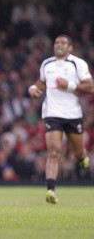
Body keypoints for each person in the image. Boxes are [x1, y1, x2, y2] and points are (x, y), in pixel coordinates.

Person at [28, 34, 92, 204]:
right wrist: (33, 88)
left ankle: (82, 158)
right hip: (52, 112)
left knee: (78, 152)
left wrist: (69, 86)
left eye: (63, 43)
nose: (59, 45)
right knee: (54, 151)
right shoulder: (47, 64)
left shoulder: (77, 64)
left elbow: (90, 88)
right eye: (57, 42)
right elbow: (41, 82)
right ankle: (51, 190)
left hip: (72, 114)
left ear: (70, 48)